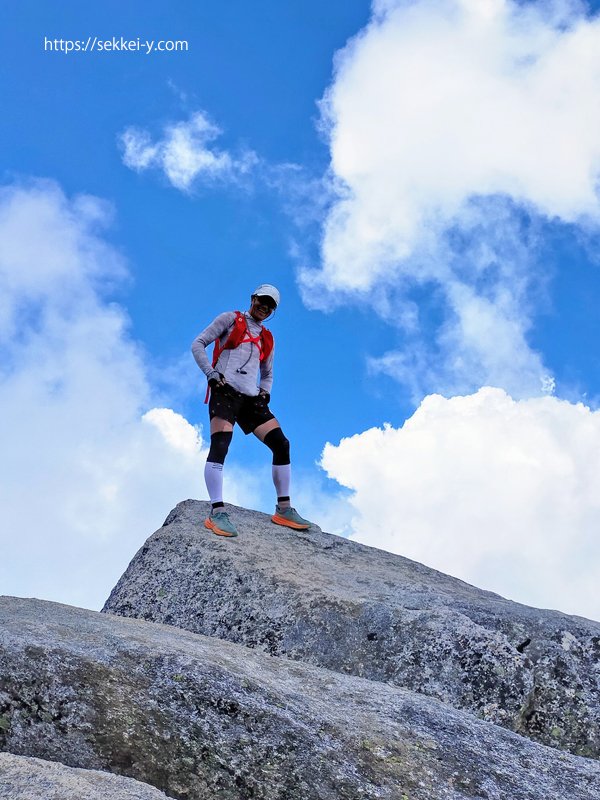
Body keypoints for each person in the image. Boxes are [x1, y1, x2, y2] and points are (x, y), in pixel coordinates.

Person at [191, 284, 312, 538]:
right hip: (225, 391)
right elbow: (198, 344)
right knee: (221, 446)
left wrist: (265, 390)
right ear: (252, 298)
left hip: (251, 398)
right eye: (261, 301)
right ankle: (217, 511)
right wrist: (211, 374)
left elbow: (267, 372)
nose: (264, 307)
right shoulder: (230, 319)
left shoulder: (267, 337)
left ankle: (284, 509)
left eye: (270, 305)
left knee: (281, 443)